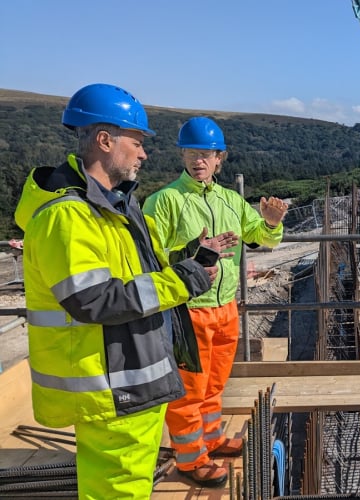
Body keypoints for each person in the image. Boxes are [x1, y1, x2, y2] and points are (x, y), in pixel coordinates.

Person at [13, 83, 219, 499]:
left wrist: (191, 258)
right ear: (105, 141)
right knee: (119, 491)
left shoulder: (115, 207)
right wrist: (187, 279)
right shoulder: (69, 216)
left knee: (128, 487)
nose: (144, 154)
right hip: (111, 387)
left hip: (129, 378)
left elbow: (139, 272)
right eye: (137, 141)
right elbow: (95, 299)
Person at [143, 116, 288, 488]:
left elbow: (261, 237)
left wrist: (270, 223)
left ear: (219, 158)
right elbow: (151, 256)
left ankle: (210, 440)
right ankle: (191, 460)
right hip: (187, 309)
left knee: (214, 384)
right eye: (191, 153)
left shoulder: (231, 201)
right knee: (189, 388)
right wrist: (196, 252)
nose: (198, 161)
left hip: (225, 308)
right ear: (182, 155)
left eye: (206, 154)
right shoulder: (164, 202)